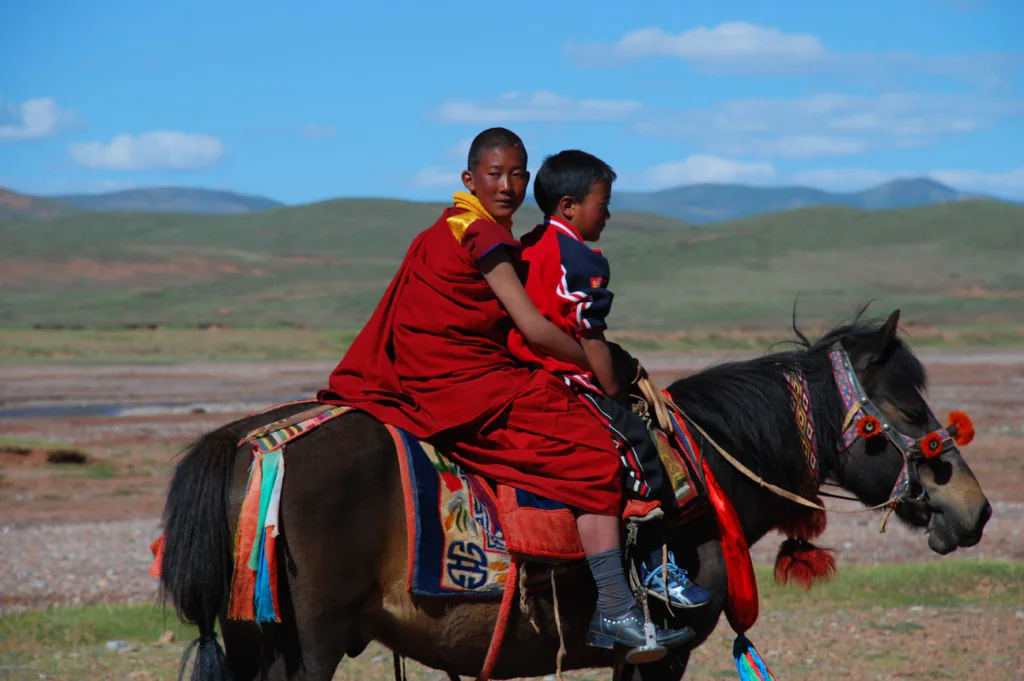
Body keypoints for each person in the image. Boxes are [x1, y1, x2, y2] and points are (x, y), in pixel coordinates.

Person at [316, 128, 693, 659]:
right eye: (494, 174)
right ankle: (614, 606)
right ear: (470, 178)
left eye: (517, 175)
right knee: (594, 455)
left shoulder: (448, 227)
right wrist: (600, 363)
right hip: (466, 383)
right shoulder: (483, 237)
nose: (507, 186)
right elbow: (534, 329)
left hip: (430, 374)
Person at [508, 149, 711, 610]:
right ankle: (654, 567)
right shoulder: (579, 259)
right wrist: (614, 392)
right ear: (568, 206)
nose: (608, 215)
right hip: (565, 378)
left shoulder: (531, 243)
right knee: (639, 447)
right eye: (603, 205)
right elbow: (590, 335)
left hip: (524, 371)